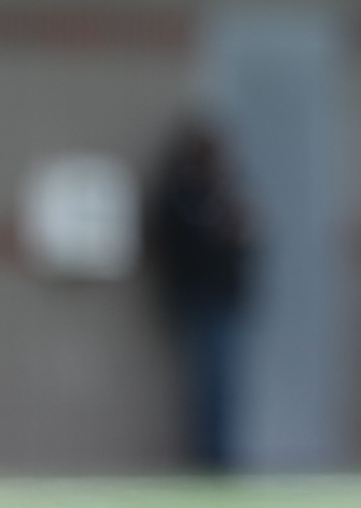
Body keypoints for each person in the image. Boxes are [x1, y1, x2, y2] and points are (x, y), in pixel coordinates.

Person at [145, 117, 254, 471]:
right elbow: (174, 245)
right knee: (207, 385)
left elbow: (244, 242)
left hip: (224, 299)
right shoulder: (181, 194)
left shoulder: (224, 191)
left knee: (224, 385)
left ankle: (221, 456)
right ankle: (208, 458)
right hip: (199, 299)